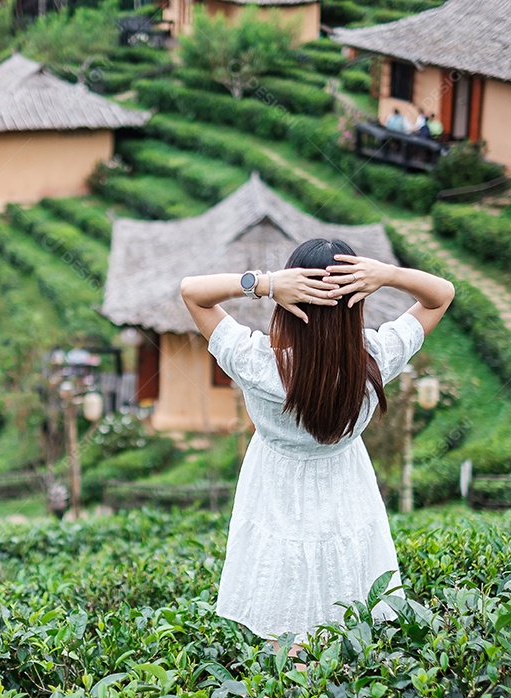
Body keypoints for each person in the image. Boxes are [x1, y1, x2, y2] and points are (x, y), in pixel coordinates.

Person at [179, 239, 454, 659]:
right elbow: (441, 296)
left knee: (281, 625)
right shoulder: (374, 359)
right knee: (344, 622)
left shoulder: (258, 363)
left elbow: (192, 292)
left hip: (272, 493)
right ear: (355, 306)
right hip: (346, 493)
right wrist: (388, 275)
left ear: (289, 305)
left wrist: (266, 284)